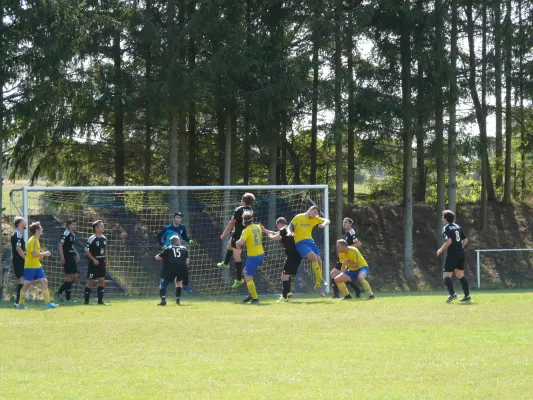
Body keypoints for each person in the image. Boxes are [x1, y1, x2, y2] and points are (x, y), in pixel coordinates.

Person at [15, 222, 58, 310]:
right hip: (30, 267)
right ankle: (20, 304)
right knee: (27, 284)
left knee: (44, 281)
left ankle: (48, 304)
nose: (42, 229)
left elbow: (34, 254)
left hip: (37, 266)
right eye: (41, 228)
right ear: (37, 230)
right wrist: (45, 253)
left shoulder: (36, 240)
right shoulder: (33, 240)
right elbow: (34, 254)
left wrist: (40, 256)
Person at [217, 193, 255, 289]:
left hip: (239, 236)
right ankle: (225, 263)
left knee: (237, 258)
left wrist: (224, 234)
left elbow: (232, 223)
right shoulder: (251, 210)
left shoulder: (239, 209)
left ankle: (239, 279)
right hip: (241, 235)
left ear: (243, 201)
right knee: (229, 244)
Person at [289, 205, 330, 295]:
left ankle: (318, 285)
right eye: (314, 212)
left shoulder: (315, 218)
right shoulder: (298, 217)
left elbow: (327, 220)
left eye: (317, 214)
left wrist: (323, 224)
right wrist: (290, 233)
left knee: (319, 261)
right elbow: (290, 227)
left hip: (310, 241)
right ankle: (321, 280)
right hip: (300, 242)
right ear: (310, 209)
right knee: (313, 257)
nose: (315, 215)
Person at [261, 217, 302, 302]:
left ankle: (284, 297)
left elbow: (276, 237)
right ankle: (288, 293)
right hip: (294, 256)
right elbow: (275, 233)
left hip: (293, 256)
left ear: (278, 224)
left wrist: (270, 236)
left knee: (284, 276)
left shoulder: (284, 229)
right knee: (286, 275)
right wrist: (264, 230)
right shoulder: (286, 229)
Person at [437, 209, 471, 303]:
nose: (442, 219)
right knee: (460, 275)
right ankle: (467, 295)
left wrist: (440, 250)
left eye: (443, 217)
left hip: (452, 254)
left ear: (446, 218)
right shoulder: (457, 226)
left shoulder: (446, 228)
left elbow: (449, 241)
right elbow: (466, 240)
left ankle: (452, 294)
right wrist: (460, 247)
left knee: (446, 276)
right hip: (461, 253)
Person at [155, 235, 192, 306]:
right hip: (182, 269)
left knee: (163, 285)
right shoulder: (184, 248)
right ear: (178, 241)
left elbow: (157, 258)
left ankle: (163, 300)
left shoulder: (168, 249)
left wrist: (163, 255)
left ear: (171, 242)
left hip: (171, 269)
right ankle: (178, 300)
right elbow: (187, 262)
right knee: (178, 283)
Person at [236, 211, 264, 304]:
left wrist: (237, 243)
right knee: (245, 272)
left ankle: (255, 298)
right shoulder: (258, 227)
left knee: (248, 277)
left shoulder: (246, 230)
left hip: (253, 256)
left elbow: (240, 243)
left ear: (243, 220)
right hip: (260, 253)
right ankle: (250, 294)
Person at [331, 217, 362, 298]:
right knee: (336, 274)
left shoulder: (352, 232)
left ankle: (342, 294)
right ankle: (355, 290)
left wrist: (346, 249)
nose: (344, 224)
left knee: (336, 274)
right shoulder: (346, 233)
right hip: (344, 257)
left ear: (350, 224)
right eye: (343, 222)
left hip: (349, 257)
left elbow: (358, 244)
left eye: (346, 222)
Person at [83, 220, 109, 305]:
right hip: (93, 263)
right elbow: (86, 251)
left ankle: (100, 301)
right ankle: (86, 301)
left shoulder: (104, 238)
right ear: (96, 228)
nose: (103, 227)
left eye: (103, 225)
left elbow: (105, 251)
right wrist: (94, 259)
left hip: (101, 262)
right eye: (101, 226)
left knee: (101, 280)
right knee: (90, 282)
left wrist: (106, 260)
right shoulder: (91, 239)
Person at [56, 220, 81, 302]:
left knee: (73, 277)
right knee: (71, 277)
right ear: (69, 225)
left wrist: (76, 253)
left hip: (71, 256)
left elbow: (71, 246)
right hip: (67, 257)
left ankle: (61, 293)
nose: (75, 226)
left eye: (75, 224)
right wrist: (62, 257)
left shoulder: (72, 235)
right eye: (73, 224)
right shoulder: (66, 233)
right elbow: (60, 244)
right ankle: (66, 297)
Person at [11, 216, 26, 307]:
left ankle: (18, 302)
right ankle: (18, 302)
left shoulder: (19, 234)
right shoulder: (17, 234)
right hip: (18, 260)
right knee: (22, 280)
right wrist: (26, 258)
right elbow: (18, 248)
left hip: (20, 260)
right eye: (24, 222)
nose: (25, 223)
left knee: (23, 280)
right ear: (20, 224)